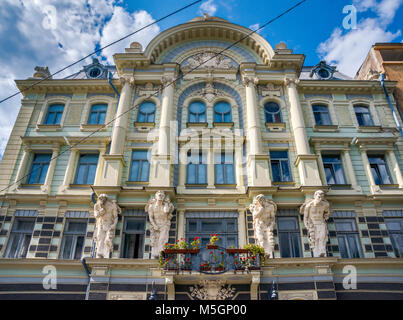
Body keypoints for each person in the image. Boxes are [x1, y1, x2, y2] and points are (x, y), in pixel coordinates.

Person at [300, 190, 330, 257]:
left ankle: (322, 251)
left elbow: (327, 213)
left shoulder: (325, 205)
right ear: (315, 196)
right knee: (315, 239)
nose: (320, 199)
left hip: (321, 223)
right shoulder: (309, 206)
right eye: (319, 197)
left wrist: (326, 216)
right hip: (313, 224)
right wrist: (307, 226)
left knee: (322, 237)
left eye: (322, 197)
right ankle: (316, 253)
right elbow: (305, 217)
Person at [145, 191, 174, 258]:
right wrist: (154, 225)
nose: (160, 196)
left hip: (164, 224)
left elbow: (166, 211)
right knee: (154, 240)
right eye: (159, 195)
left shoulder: (165, 205)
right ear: (156, 196)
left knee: (162, 239)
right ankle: (155, 254)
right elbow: (151, 217)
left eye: (162, 195)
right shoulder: (151, 206)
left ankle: (161, 254)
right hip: (156, 225)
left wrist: (166, 203)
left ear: (164, 197)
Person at [93, 194, 121, 258]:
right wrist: (100, 212)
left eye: (103, 199)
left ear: (106, 199)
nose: (102, 200)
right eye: (100, 199)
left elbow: (115, 217)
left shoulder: (112, 206)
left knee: (107, 240)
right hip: (101, 224)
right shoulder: (97, 206)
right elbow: (96, 215)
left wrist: (114, 224)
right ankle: (100, 254)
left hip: (109, 224)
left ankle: (106, 254)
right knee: (100, 238)